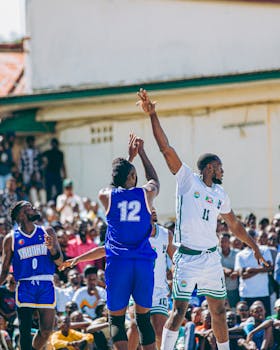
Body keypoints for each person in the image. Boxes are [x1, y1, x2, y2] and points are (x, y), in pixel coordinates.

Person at [137, 88, 268, 350]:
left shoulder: (220, 193)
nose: (222, 170)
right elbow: (165, 148)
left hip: (210, 257)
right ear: (209, 168)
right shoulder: (187, 180)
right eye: (219, 166)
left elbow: (234, 225)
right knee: (179, 311)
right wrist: (153, 115)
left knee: (219, 311)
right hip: (187, 257)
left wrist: (254, 247)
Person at [60, 133, 160, 350]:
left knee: (116, 319)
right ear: (133, 176)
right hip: (142, 263)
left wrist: (127, 161)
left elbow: (114, 184)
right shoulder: (145, 194)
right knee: (143, 320)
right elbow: (154, 180)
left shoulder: (107, 196)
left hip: (118, 263)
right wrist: (140, 153)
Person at [0, 201, 63, 350]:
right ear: (21, 214)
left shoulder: (48, 231)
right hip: (25, 284)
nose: (34, 208)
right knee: (25, 330)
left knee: (47, 330)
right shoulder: (11, 238)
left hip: (46, 283)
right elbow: (4, 271)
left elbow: (60, 261)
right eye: (29, 207)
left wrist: (51, 249)